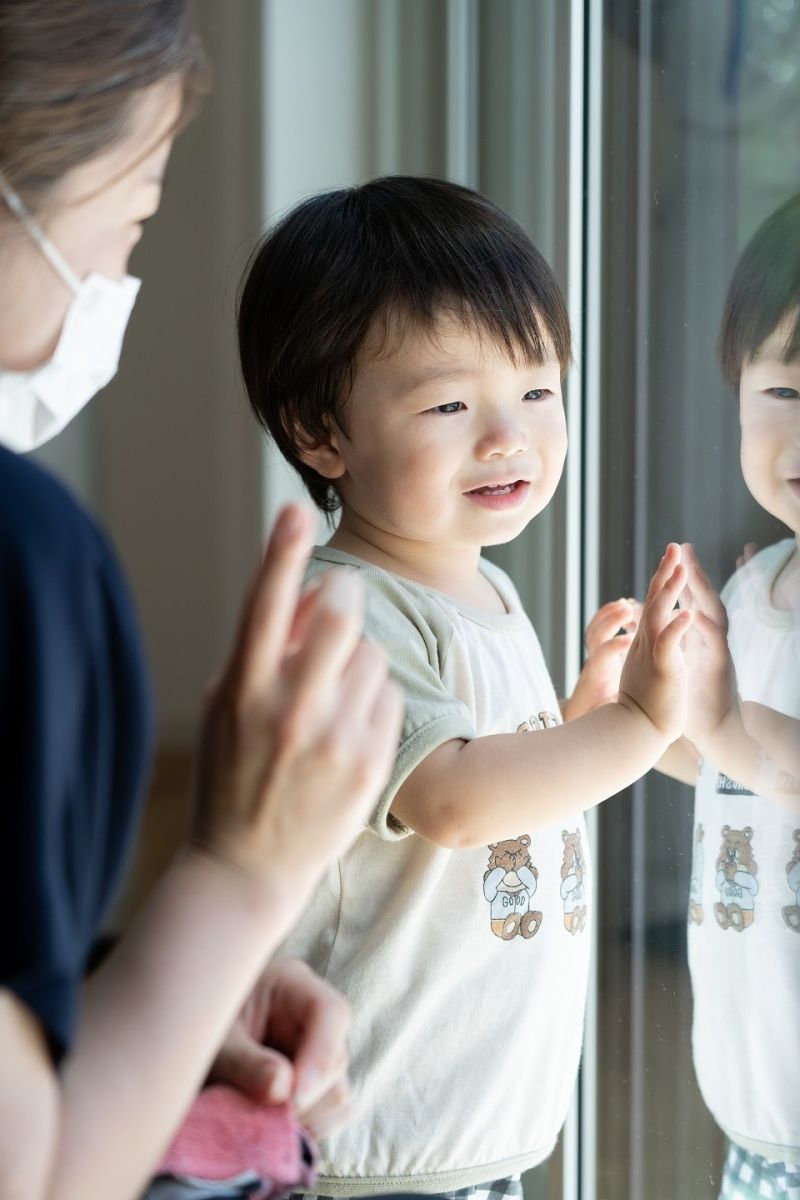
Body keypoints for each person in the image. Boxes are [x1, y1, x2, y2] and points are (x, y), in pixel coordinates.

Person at [0, 4, 403, 1198]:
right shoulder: (27, 563)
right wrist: (233, 881)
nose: (121, 278)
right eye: (130, 222)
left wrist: (146, 988)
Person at [236, 175, 691, 1199]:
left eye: (535, 389)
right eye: (448, 403)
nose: (507, 435)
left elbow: (494, 774)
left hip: (466, 1117)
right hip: (379, 1131)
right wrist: (639, 722)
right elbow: (449, 798)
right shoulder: (351, 608)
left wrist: (574, 716)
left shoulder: (477, 583)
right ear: (319, 433)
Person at [666, 195, 800, 1200]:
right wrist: (650, 720)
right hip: (756, 1110)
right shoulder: (754, 591)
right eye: (783, 391)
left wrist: (716, 722)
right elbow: (737, 771)